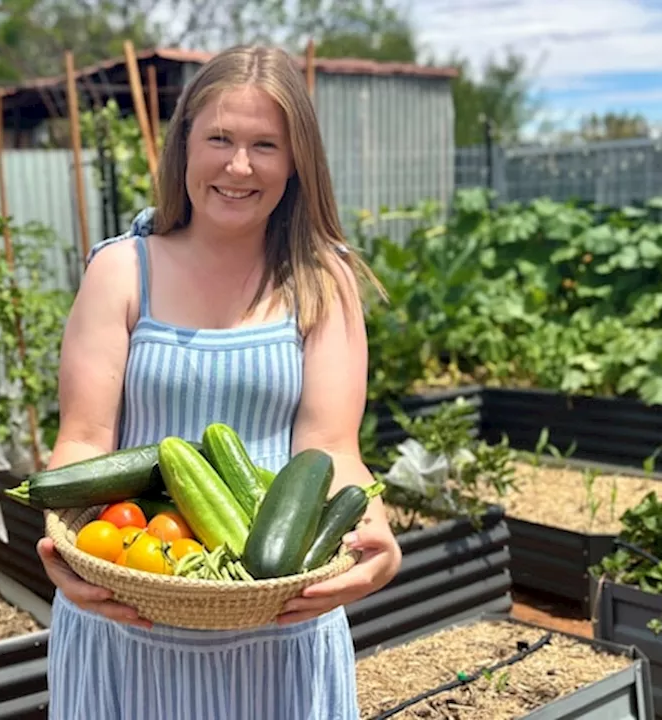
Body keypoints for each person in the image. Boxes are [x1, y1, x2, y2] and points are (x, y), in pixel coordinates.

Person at [34, 43, 403, 720]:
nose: (239, 166)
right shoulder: (121, 272)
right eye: (220, 139)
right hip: (130, 614)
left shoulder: (324, 282)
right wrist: (66, 547)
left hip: (279, 623)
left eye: (266, 144)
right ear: (184, 149)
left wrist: (374, 531)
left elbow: (331, 448)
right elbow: (84, 442)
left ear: (296, 163)